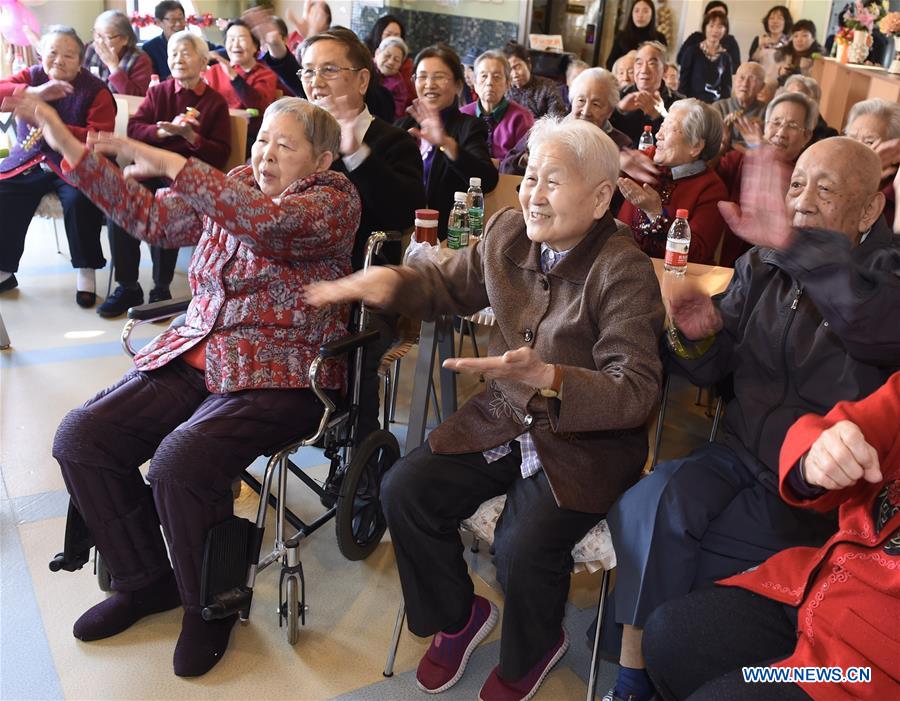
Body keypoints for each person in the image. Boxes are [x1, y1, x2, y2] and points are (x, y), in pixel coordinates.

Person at [303, 116, 665, 701]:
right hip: (503, 416)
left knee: (519, 545)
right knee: (404, 490)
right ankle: (458, 615)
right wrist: (388, 283)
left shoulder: (623, 269)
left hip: (585, 441)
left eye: (552, 181)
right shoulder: (507, 232)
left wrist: (550, 376)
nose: (532, 194)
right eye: (529, 177)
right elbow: (447, 285)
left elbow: (636, 390)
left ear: (602, 198)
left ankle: (537, 644)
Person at [0, 91, 360, 677]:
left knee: (180, 462)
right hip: (197, 355)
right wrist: (67, 145)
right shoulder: (236, 181)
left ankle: (208, 606)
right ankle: (146, 583)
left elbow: (267, 226)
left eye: (285, 146)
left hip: (282, 372)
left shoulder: (332, 201)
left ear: (320, 161)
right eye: (263, 139)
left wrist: (172, 163)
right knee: (82, 438)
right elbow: (152, 219)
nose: (266, 154)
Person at [599, 137, 899, 701]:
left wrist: (794, 248)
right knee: (651, 503)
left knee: (700, 557)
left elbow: (868, 324)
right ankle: (635, 675)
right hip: (738, 449)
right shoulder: (761, 261)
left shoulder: (886, 276)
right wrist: (693, 334)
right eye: (795, 185)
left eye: (824, 189)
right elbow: (711, 369)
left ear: (869, 209)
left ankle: (674, 662)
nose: (802, 201)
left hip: (817, 488)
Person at [644, 368, 900, 701]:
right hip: (820, 588)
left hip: (868, 663)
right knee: (669, 635)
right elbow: (846, 427)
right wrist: (817, 458)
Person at [298, 28, 425, 440]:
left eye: (329, 70)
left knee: (357, 356)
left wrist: (355, 154)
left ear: (363, 79)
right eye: (309, 71)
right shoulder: (296, 137)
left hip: (360, 290)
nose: (316, 81)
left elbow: (402, 212)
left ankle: (358, 451)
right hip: (295, 280)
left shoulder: (391, 141)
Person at [98, 30, 231, 317]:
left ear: (202, 60)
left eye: (185, 53)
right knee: (121, 205)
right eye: (173, 54)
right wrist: (159, 130)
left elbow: (220, 154)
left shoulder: (215, 102)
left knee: (165, 205)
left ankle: (161, 287)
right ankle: (128, 285)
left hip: (187, 177)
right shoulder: (158, 92)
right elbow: (134, 129)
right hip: (149, 169)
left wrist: (191, 137)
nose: (178, 59)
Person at [0, 26, 115, 304]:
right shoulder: (32, 77)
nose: (59, 60)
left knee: (80, 198)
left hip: (73, 162)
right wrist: (36, 92)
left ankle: (86, 271)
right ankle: (4, 269)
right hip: (30, 160)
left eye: (69, 55)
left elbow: (98, 138)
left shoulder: (96, 90)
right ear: (42, 54)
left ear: (81, 60)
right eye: (52, 53)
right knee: (3, 192)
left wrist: (56, 127)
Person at [396, 44, 498, 241]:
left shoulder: (469, 127)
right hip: (400, 235)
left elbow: (487, 179)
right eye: (422, 76)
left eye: (440, 77)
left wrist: (445, 143)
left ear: (458, 86)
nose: (429, 84)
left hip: (445, 240)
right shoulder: (402, 127)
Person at [617, 98, 727, 265]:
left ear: (695, 146)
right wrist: (616, 163)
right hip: (619, 268)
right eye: (662, 126)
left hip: (667, 284)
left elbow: (696, 256)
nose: (658, 135)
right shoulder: (645, 161)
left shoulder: (711, 189)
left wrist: (655, 214)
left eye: (670, 129)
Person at [715, 91, 815, 266]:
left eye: (792, 126)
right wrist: (719, 145)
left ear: (806, 136)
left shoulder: (806, 179)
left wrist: (768, 161)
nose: (781, 133)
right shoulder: (740, 159)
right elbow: (711, 175)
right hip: (729, 268)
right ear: (765, 126)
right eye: (776, 123)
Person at [501, 67, 631, 176]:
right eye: (581, 101)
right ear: (571, 101)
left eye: (596, 104)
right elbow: (505, 168)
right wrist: (529, 159)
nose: (586, 111)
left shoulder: (620, 145)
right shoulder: (546, 129)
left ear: (609, 111)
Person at [204, 19, 279, 152]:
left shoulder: (266, 74)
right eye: (231, 39)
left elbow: (258, 106)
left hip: (248, 139)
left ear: (255, 46)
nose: (235, 44)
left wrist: (233, 76)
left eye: (241, 39)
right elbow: (204, 106)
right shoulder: (213, 71)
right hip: (215, 133)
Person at [460, 51, 534, 161]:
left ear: (508, 84)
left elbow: (523, 162)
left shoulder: (521, 118)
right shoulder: (462, 115)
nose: (489, 82)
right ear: (475, 83)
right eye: (484, 76)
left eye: (497, 77)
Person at [610, 41, 684, 148]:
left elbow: (682, 142)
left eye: (652, 63)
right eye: (639, 63)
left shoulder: (679, 103)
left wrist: (661, 116)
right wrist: (618, 110)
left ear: (665, 69)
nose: (644, 70)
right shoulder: (617, 96)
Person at [845, 98, 900, 231]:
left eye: (869, 142)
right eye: (851, 139)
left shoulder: (892, 198)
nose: (855, 149)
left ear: (895, 151)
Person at [84, 10, 153, 96]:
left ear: (125, 39)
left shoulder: (140, 60)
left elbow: (138, 96)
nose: (100, 41)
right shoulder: (87, 50)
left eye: (107, 37)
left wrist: (113, 67)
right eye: (97, 35)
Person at [677, 10, 733, 104]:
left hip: (714, 107)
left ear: (725, 30)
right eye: (711, 25)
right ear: (705, 27)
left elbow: (726, 88)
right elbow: (683, 83)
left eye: (720, 27)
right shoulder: (692, 51)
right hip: (692, 104)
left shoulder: (726, 58)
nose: (715, 30)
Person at [503, 41, 566, 120]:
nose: (514, 74)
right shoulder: (504, 91)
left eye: (517, 67)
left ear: (528, 64)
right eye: (509, 69)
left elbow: (557, 120)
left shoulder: (548, 87)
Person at [365, 13, 415, 108]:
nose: (392, 39)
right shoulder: (364, 59)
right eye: (388, 35)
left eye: (397, 36)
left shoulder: (405, 67)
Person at [712, 62, 766, 149]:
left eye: (752, 79)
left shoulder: (768, 111)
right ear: (734, 80)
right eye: (741, 78)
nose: (745, 84)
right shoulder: (718, 107)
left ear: (762, 87)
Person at [677, 1, 741, 70]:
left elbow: (736, 67)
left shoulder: (730, 41)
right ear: (705, 18)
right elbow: (680, 59)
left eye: (721, 15)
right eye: (713, 15)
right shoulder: (695, 38)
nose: (717, 19)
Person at [605, 0, 668, 70]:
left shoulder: (659, 38)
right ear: (631, 14)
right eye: (636, 11)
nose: (640, 15)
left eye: (645, 11)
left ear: (652, 15)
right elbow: (610, 64)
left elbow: (663, 66)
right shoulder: (621, 36)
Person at [781, 74, 838, 144]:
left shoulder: (826, 136)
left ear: (814, 104)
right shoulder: (770, 120)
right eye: (786, 95)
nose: (788, 101)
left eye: (797, 98)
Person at [748, 4, 793, 80]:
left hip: (781, 84)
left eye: (780, 18)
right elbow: (750, 63)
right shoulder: (759, 39)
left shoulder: (790, 43)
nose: (775, 21)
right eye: (771, 18)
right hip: (759, 82)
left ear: (786, 22)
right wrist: (759, 47)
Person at [374, 36, 411, 121]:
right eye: (387, 56)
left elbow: (395, 114)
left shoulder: (399, 85)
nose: (391, 62)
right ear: (377, 53)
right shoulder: (365, 68)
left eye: (396, 60)